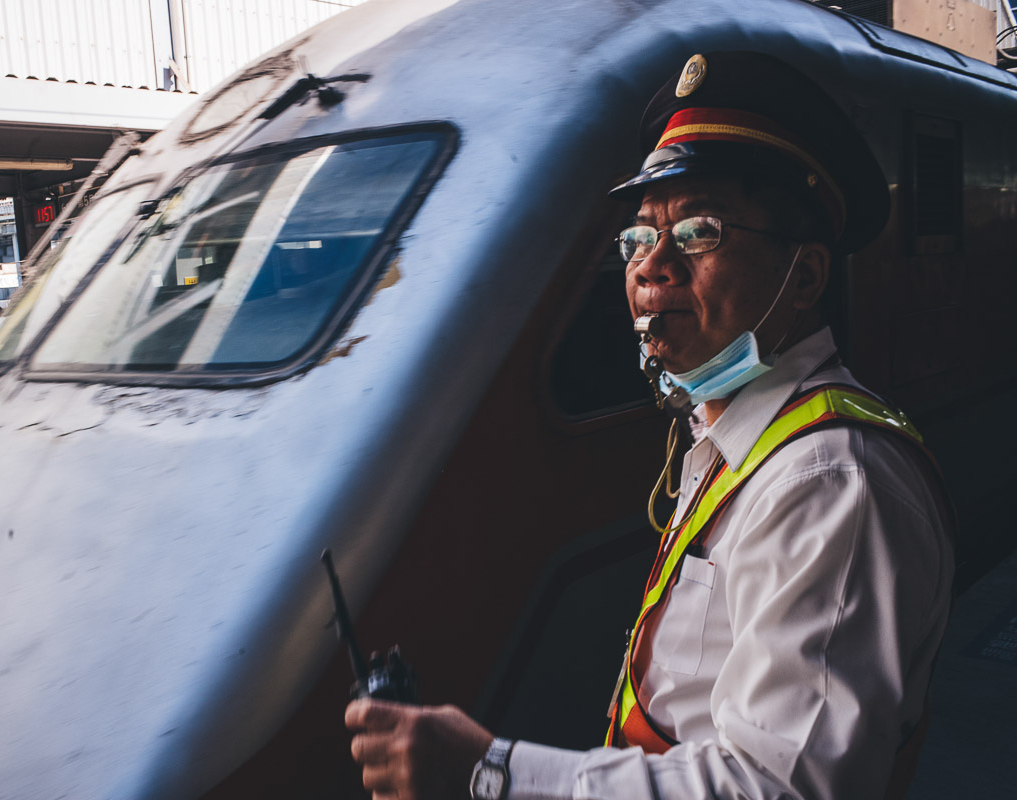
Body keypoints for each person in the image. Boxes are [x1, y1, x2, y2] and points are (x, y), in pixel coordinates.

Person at [344, 52, 954, 800]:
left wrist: (487, 772)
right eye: (638, 237)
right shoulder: (737, 442)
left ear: (805, 277)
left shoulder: (827, 481)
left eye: (699, 232)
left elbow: (777, 786)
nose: (649, 266)